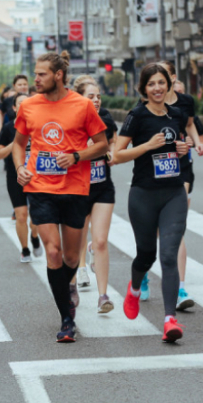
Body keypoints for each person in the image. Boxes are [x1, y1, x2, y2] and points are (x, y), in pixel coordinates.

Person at [11, 52, 108, 342]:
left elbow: (102, 145)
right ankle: (66, 317)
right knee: (52, 252)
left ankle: (64, 290)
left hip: (75, 188)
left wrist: (77, 155)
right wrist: (19, 167)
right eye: (35, 74)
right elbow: (18, 144)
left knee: (70, 257)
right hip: (40, 188)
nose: (35, 79)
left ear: (58, 76)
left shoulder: (82, 106)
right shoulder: (28, 106)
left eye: (41, 74)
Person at [114, 63, 190, 343]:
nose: (157, 88)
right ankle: (134, 288)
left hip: (173, 192)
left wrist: (182, 148)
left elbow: (177, 146)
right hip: (143, 194)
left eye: (162, 82)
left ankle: (170, 319)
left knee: (169, 255)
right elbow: (117, 155)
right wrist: (147, 146)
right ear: (143, 89)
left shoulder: (177, 114)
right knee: (147, 254)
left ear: (169, 84)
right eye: (151, 84)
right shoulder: (137, 116)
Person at [154, 60, 203, 311]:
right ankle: (142, 270)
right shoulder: (146, 105)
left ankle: (180, 286)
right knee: (155, 229)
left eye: (165, 78)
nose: (160, 83)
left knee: (175, 227)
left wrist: (197, 143)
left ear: (173, 78)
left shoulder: (185, 102)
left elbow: (190, 126)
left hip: (181, 168)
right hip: (153, 172)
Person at [75, 80, 118, 313]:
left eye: (99, 96)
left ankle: (103, 296)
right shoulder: (71, 121)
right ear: (80, 98)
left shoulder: (107, 119)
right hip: (78, 188)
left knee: (100, 241)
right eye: (91, 96)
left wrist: (110, 152)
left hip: (102, 186)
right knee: (78, 236)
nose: (97, 100)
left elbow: (112, 144)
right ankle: (76, 275)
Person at [0, 93, 42, 262]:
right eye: (20, 104)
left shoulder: (39, 126)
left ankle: (35, 236)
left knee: (36, 215)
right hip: (15, 176)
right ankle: (25, 249)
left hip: (36, 176)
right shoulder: (8, 128)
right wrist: (14, 144)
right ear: (14, 108)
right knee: (21, 214)